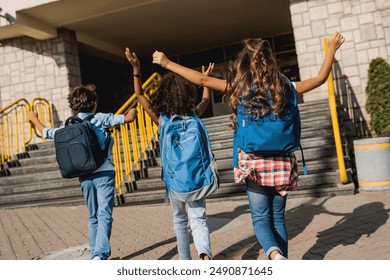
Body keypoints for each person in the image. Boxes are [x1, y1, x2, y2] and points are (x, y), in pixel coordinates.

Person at [151, 32, 345, 260]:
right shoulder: (286, 87)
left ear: (244, 63)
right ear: (269, 61)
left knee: (261, 219)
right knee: (278, 218)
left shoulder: (240, 88)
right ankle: (282, 260)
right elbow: (321, 78)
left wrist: (167, 63)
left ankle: (275, 256)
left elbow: (202, 80)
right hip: (283, 161)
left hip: (253, 162)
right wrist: (331, 47)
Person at [28, 84, 137, 260]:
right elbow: (128, 119)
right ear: (93, 103)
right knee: (104, 215)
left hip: (84, 175)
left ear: (73, 105)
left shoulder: (69, 125)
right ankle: (99, 256)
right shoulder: (100, 118)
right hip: (104, 173)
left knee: (93, 215)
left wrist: (34, 118)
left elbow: (47, 133)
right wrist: (133, 109)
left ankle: (96, 253)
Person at [125, 47, 214, 260]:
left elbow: (139, 95)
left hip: (174, 180)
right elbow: (206, 101)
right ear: (185, 94)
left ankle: (185, 262)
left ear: (163, 95)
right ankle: (205, 255)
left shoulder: (162, 120)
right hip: (196, 177)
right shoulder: (194, 115)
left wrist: (136, 69)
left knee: (180, 220)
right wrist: (206, 82)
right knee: (199, 219)